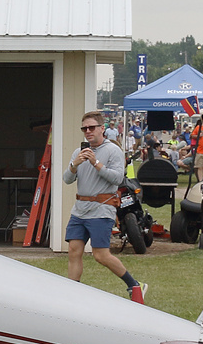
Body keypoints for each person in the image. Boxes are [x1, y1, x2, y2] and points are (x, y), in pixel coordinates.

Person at [63, 110, 146, 304]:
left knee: (101, 255)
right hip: (80, 209)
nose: (88, 131)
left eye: (92, 127)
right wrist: (74, 165)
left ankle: (134, 285)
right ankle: (71, 294)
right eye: (84, 128)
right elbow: (67, 179)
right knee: (74, 250)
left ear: (102, 129)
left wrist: (96, 163)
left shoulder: (113, 151)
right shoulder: (79, 152)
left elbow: (118, 178)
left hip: (101, 209)